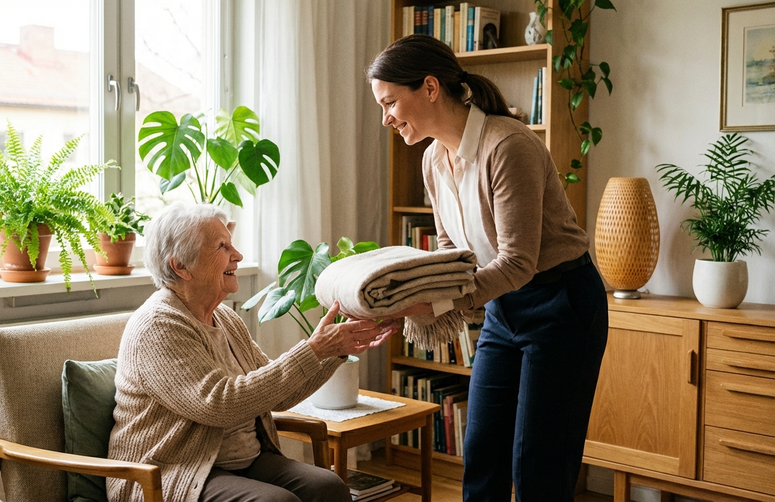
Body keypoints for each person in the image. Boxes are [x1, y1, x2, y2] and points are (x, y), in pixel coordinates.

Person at [366, 34, 609, 501]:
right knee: (482, 454)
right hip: (505, 308)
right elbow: (450, 249)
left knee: (538, 466)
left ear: (431, 87)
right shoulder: (434, 159)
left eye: (391, 102)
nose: (386, 118)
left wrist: (434, 300)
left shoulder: (508, 145)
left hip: (561, 304)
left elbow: (517, 262)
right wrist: (407, 301)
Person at [107, 202, 398, 502]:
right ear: (180, 266)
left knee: (329, 487)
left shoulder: (226, 319)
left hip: (237, 463)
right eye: (222, 246)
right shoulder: (158, 326)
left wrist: (333, 351)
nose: (238, 256)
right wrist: (314, 348)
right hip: (172, 471)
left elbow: (279, 395)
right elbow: (219, 404)